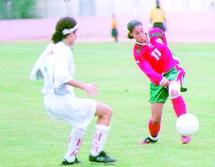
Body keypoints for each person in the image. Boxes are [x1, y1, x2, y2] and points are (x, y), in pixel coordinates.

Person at [30, 17, 116, 165]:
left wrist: (49, 78)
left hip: (49, 101)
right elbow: (61, 77)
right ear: (70, 34)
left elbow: (35, 73)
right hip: (62, 101)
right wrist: (84, 86)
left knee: (80, 121)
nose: (77, 36)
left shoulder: (51, 47)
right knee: (106, 111)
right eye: (76, 33)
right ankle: (96, 154)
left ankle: (70, 158)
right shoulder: (65, 50)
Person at [127, 20, 191, 145]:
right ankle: (153, 138)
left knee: (174, 91)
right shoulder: (138, 52)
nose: (141, 35)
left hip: (172, 70)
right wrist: (160, 79)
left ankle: (185, 131)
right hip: (158, 79)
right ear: (131, 35)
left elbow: (162, 35)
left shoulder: (155, 33)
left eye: (142, 31)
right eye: (137, 33)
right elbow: (147, 70)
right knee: (155, 119)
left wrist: (169, 53)